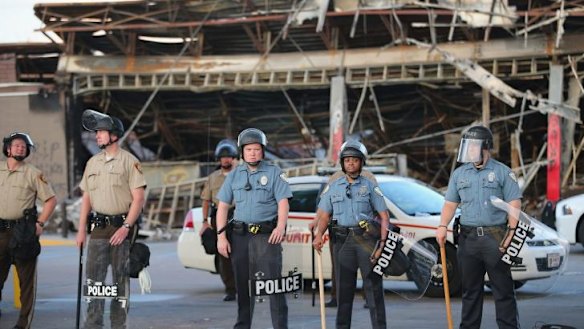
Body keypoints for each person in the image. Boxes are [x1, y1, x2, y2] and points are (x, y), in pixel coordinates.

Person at [436, 125, 521, 329]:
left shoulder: (503, 172)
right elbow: (450, 204)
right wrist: (441, 225)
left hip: (496, 238)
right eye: (468, 146)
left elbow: (514, 205)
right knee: (470, 291)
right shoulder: (459, 174)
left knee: (503, 290)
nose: (470, 150)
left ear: (486, 147)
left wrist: (510, 234)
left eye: (474, 146)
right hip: (468, 240)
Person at [76, 110, 146, 329]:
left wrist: (126, 227)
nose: (97, 136)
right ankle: (93, 325)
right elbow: (87, 197)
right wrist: (80, 231)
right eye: (96, 132)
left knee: (119, 282)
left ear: (114, 135)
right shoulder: (92, 163)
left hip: (120, 229)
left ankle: (118, 325)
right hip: (97, 229)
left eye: (101, 132)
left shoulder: (130, 162)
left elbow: (138, 199)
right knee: (94, 282)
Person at [216, 128, 291, 329]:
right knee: (243, 285)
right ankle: (242, 325)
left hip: (267, 236)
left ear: (262, 151)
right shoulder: (233, 176)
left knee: (274, 284)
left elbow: (283, 202)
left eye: (257, 149)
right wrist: (221, 237)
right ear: (242, 151)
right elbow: (222, 207)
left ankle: (280, 326)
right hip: (241, 236)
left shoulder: (274, 172)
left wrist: (281, 227)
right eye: (249, 149)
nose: (253, 153)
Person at [312, 140, 389, 329]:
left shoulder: (370, 185)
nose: (351, 164)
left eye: (355, 160)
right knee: (343, 293)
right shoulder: (334, 186)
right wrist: (318, 234)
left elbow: (384, 216)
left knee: (373, 291)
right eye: (347, 161)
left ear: (361, 162)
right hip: (342, 242)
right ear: (342, 163)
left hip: (366, 242)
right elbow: (324, 215)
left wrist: (381, 244)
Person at [0, 132, 57, 329]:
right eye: (17, 145)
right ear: (8, 148)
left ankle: (23, 324)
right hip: (0, 232)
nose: (21, 148)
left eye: (24, 146)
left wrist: (40, 223)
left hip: (23, 233)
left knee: (26, 283)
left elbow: (51, 200)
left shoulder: (33, 173)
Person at [309, 168, 378, 308]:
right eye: (347, 158)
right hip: (339, 229)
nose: (351, 162)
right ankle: (337, 297)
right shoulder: (335, 177)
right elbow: (325, 203)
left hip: (363, 230)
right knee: (338, 266)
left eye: (355, 158)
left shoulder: (368, 177)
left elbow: (375, 202)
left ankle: (370, 298)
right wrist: (316, 221)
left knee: (368, 266)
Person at [199, 139, 238, 302]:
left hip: (239, 216)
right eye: (223, 157)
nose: (226, 160)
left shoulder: (242, 174)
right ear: (218, 159)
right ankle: (230, 289)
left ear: (234, 157)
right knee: (224, 255)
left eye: (229, 157)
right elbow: (206, 200)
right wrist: (205, 221)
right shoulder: (213, 178)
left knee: (243, 254)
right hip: (219, 219)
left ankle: (246, 287)